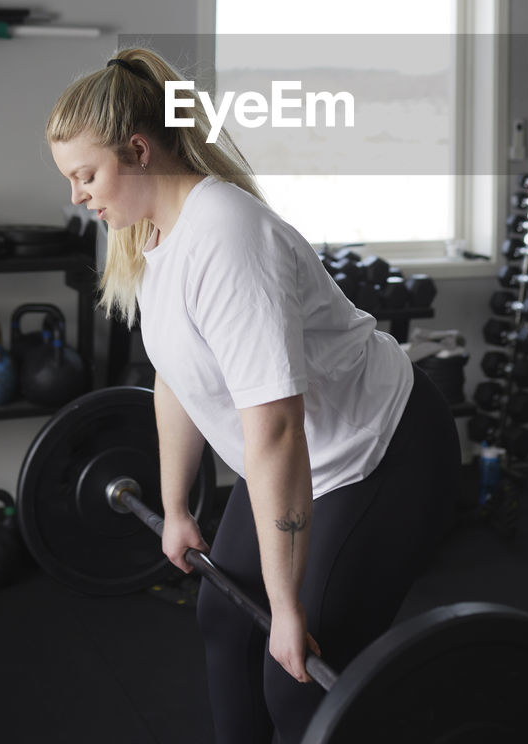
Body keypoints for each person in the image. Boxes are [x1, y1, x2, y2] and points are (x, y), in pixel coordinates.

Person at [47, 47, 462, 744]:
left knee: (296, 673)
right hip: (306, 457)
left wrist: (289, 604)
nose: (76, 196)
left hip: (380, 456)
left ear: (139, 150)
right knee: (225, 621)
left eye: (85, 175)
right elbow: (176, 378)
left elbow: (274, 433)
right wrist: (178, 506)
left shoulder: (226, 239)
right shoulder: (155, 240)